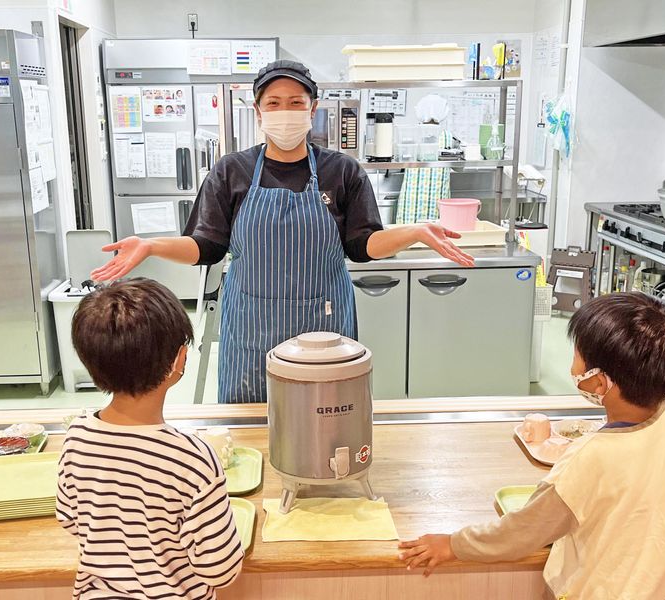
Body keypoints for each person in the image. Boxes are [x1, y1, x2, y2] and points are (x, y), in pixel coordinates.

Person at [92, 60, 474, 404]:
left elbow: (362, 245)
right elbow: (205, 247)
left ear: (313, 107)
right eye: (273, 103)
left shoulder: (341, 171)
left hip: (323, 328)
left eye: (295, 102)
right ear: (258, 112)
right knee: (250, 427)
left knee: (326, 417)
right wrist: (151, 245)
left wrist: (414, 232)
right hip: (251, 331)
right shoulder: (232, 171)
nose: (284, 112)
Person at [399, 292, 665, 599]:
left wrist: (453, 544)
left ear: (599, 382)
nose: (572, 367)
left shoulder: (589, 459)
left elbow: (521, 533)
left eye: (577, 356)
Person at [56, 278, 244, 598]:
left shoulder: (76, 437)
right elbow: (220, 569)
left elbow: (69, 519)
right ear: (179, 360)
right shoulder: (193, 460)